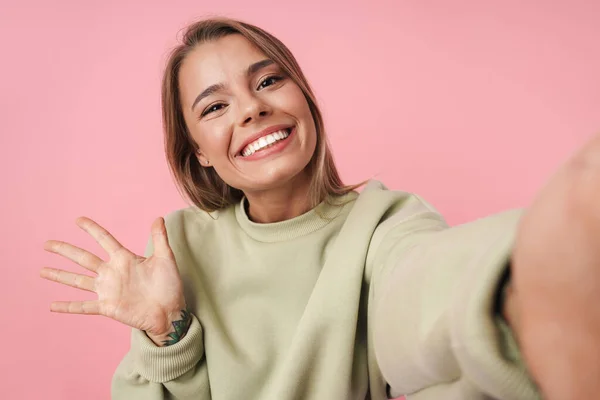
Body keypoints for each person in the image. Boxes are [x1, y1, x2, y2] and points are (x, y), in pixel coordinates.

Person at [39, 18, 600, 400]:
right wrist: (167, 333)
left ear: (303, 97)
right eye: (215, 106)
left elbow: (420, 284)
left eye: (269, 80)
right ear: (200, 155)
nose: (254, 108)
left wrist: (523, 281)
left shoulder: (384, 221)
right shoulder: (180, 247)